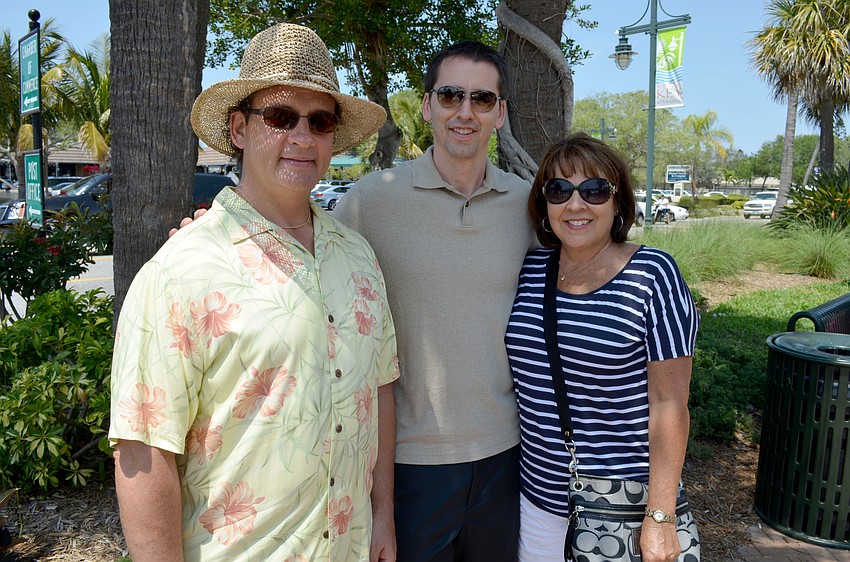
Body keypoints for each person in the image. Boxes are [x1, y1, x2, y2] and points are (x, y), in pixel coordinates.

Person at [108, 23, 399, 562]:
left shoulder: (359, 258)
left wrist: (383, 512)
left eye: (321, 120)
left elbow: (378, 387)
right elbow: (144, 448)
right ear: (239, 129)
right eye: (281, 117)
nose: (303, 137)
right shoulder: (181, 270)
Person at [334, 41, 538, 561]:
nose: (465, 112)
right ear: (427, 106)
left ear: (500, 112)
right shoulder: (371, 200)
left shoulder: (528, 205)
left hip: (508, 455)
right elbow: (300, 259)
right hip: (409, 463)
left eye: (482, 99)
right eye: (450, 95)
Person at [504, 133, 699, 561]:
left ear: (618, 202)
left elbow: (671, 402)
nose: (576, 205)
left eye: (594, 190)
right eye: (559, 190)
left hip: (624, 507)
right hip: (537, 502)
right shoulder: (531, 267)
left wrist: (661, 517)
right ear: (544, 203)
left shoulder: (652, 274)